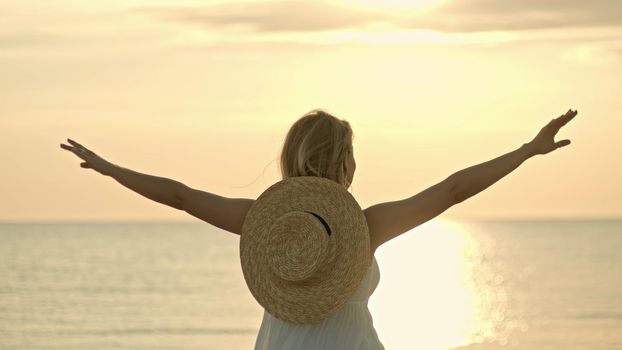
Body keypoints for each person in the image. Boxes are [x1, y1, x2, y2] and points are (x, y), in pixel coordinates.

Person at [60, 107, 577, 349]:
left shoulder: (262, 224)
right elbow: (452, 190)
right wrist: (526, 152)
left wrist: (113, 170)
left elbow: (180, 195)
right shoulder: (366, 227)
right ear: (345, 165)